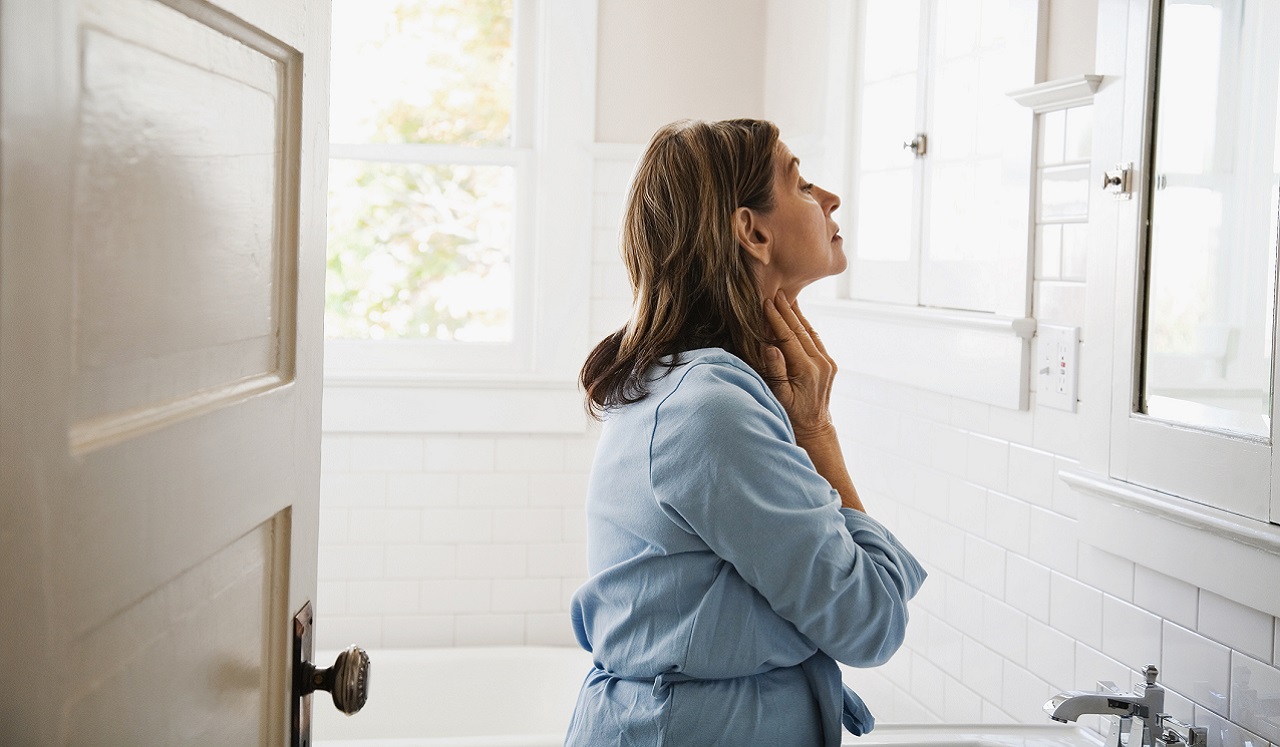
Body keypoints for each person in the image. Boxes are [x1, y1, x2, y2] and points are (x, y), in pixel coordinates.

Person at [564, 119, 926, 747]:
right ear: (752, 230)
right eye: (803, 184)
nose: (831, 198)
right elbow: (869, 621)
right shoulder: (711, 412)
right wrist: (816, 432)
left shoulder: (686, 384)